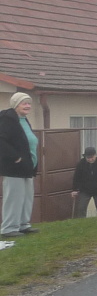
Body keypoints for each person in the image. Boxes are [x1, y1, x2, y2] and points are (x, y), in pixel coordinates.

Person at [0, 92, 39, 237]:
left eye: (29, 103)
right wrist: (15, 157)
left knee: (27, 197)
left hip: (27, 167)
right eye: (24, 103)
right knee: (14, 198)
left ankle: (23, 225)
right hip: (14, 167)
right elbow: (1, 141)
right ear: (16, 104)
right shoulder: (7, 119)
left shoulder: (23, 120)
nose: (28, 106)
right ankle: (9, 228)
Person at [71, 147, 97, 218]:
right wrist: (74, 189)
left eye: (92, 157)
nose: (90, 159)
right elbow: (76, 177)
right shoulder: (81, 163)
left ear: (95, 155)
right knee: (81, 207)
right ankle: (81, 222)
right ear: (85, 157)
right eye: (88, 158)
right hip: (85, 189)